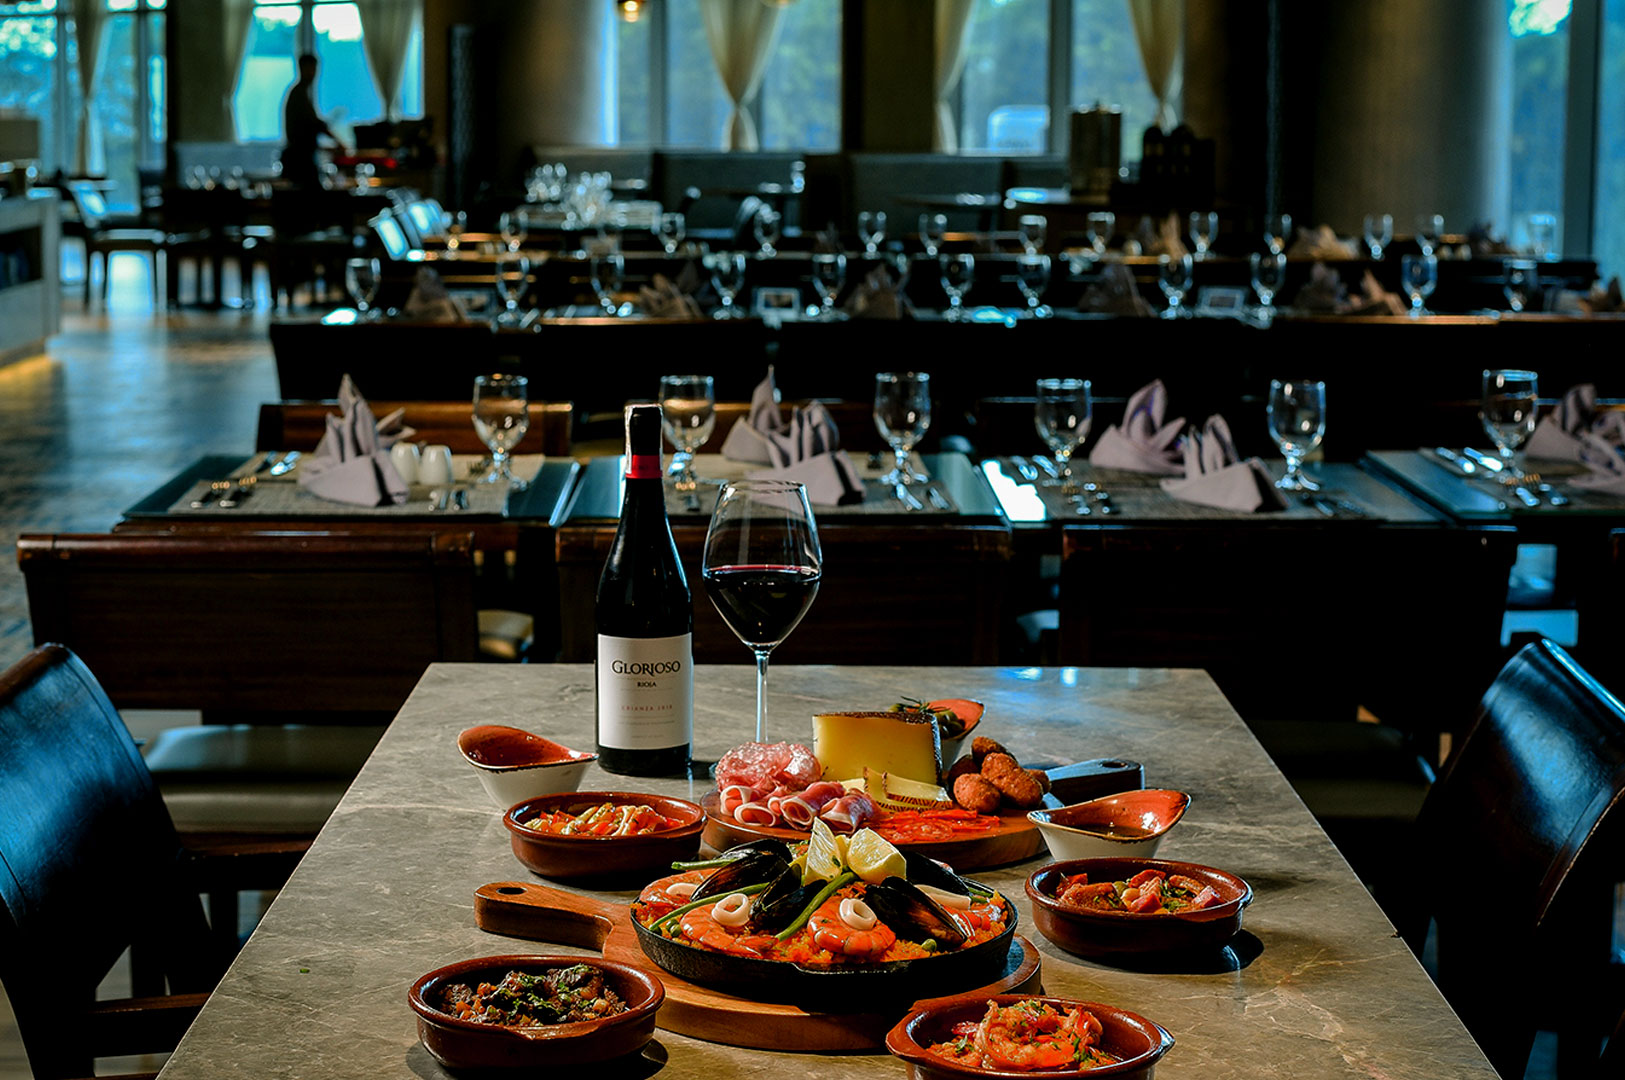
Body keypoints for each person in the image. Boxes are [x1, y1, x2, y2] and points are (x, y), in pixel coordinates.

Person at [280, 53, 348, 189]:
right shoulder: (298, 95)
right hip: (300, 161)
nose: (313, 73)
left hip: (302, 158)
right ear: (302, 68)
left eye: (315, 69)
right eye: (310, 69)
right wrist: (338, 141)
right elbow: (314, 125)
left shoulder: (301, 94)